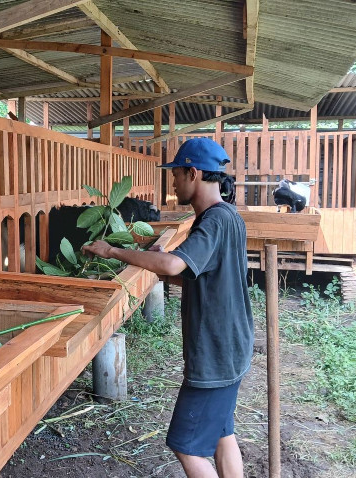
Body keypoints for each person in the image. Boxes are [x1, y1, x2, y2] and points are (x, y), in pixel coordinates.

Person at [82, 137, 254, 478]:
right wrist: (148, 265)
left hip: (215, 354)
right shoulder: (230, 216)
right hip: (234, 347)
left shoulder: (213, 221)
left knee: (184, 444)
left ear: (192, 173)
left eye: (175, 175)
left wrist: (113, 252)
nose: (173, 183)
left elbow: (175, 265)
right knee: (222, 433)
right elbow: (199, 275)